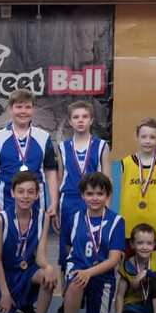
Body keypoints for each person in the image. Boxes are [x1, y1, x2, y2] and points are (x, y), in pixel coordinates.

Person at [60, 171, 126, 313]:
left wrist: (90, 272)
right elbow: (68, 246)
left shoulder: (116, 221)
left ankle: (91, 312)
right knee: (76, 282)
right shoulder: (74, 217)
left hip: (103, 275)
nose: (95, 198)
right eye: (90, 193)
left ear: (108, 195)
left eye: (100, 193)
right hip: (79, 268)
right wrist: (76, 271)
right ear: (82, 195)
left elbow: (114, 259)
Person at [0, 170, 56, 313]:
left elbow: (40, 255)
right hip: (8, 276)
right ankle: (21, 308)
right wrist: (5, 293)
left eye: (30, 192)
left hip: (29, 271)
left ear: (37, 195)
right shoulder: (1, 219)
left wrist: (48, 267)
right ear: (12, 193)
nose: (25, 196)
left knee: (49, 276)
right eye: (20, 191)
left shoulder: (43, 217)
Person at [0, 89, 60, 219]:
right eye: (19, 107)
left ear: (33, 110)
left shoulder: (43, 137)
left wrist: (54, 201)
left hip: (36, 201)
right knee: (6, 231)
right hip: (5, 200)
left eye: (27, 107)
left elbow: (50, 172)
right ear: (10, 109)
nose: (23, 111)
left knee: (36, 232)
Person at [57, 100, 110, 270]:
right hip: (69, 201)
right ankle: (66, 285)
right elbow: (59, 179)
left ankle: (92, 280)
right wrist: (56, 209)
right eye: (76, 117)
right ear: (70, 121)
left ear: (91, 120)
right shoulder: (62, 147)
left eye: (85, 116)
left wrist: (107, 208)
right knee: (66, 250)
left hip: (94, 201)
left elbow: (108, 181)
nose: (80, 120)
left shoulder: (101, 146)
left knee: (92, 245)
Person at [120, 119, 156, 245]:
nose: (148, 141)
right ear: (136, 137)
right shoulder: (125, 163)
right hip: (130, 228)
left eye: (152, 137)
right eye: (143, 137)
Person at [112, 223, 156, 313]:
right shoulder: (127, 265)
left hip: (154, 303)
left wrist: (150, 273)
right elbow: (119, 296)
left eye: (149, 243)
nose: (145, 247)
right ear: (132, 244)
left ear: (154, 244)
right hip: (135, 305)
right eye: (140, 243)